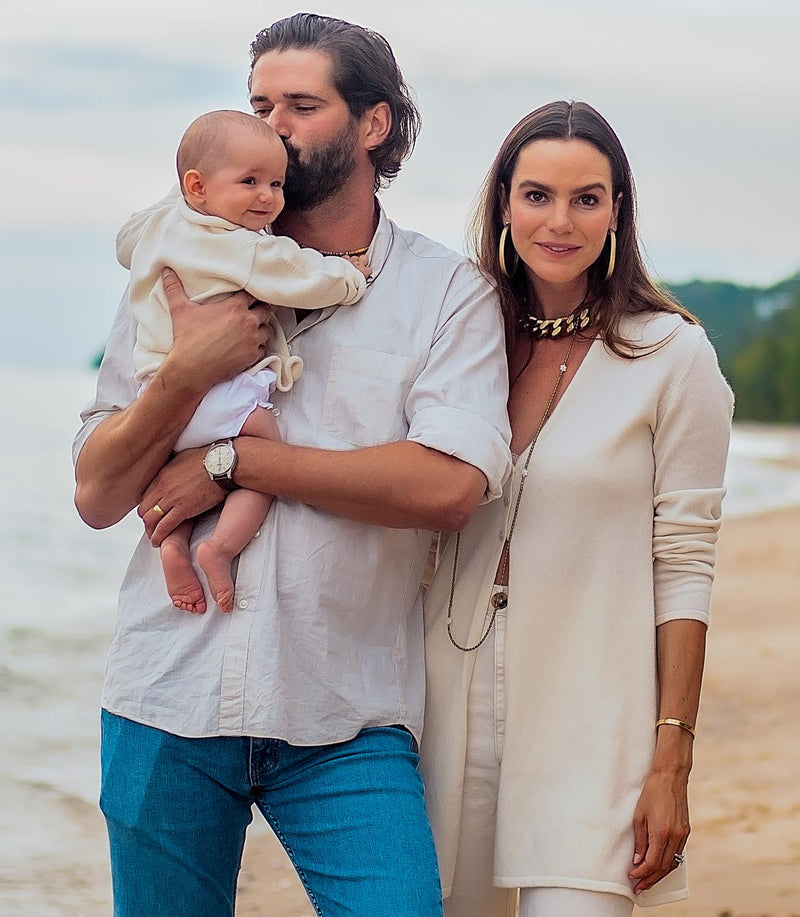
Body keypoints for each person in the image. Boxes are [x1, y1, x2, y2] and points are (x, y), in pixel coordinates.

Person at [72, 13, 511, 917]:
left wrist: (236, 462)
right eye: (260, 103)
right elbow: (95, 492)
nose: (273, 124)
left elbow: (449, 486)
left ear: (374, 124)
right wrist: (187, 375)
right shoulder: (176, 267)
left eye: (302, 105)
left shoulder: (445, 293)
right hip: (167, 698)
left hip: (346, 714)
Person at [421, 100, 734, 917]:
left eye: (586, 198)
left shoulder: (673, 354)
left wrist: (671, 759)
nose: (559, 221)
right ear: (502, 204)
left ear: (617, 212)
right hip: (439, 708)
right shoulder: (459, 333)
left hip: (594, 720)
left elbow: (686, 563)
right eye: (536, 195)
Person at [118, 109, 369, 614]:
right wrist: (349, 276)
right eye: (250, 182)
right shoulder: (241, 248)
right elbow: (298, 274)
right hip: (218, 393)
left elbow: (125, 242)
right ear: (197, 186)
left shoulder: (159, 228)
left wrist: (189, 198)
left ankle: (171, 544)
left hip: (158, 392)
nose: (267, 197)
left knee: (172, 471)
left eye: (276, 184)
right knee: (264, 444)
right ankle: (219, 548)